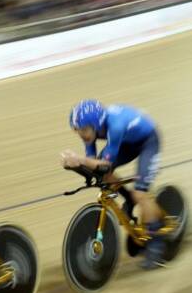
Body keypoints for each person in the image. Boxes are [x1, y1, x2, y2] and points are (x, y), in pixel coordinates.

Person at [60, 100, 167, 270]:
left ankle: (156, 244)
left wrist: (80, 160)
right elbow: (94, 163)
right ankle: (129, 198)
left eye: (84, 130)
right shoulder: (90, 129)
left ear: (95, 125)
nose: (81, 135)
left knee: (140, 193)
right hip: (126, 142)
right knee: (103, 173)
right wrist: (74, 165)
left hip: (148, 141)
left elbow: (104, 164)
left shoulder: (115, 126)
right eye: (77, 130)